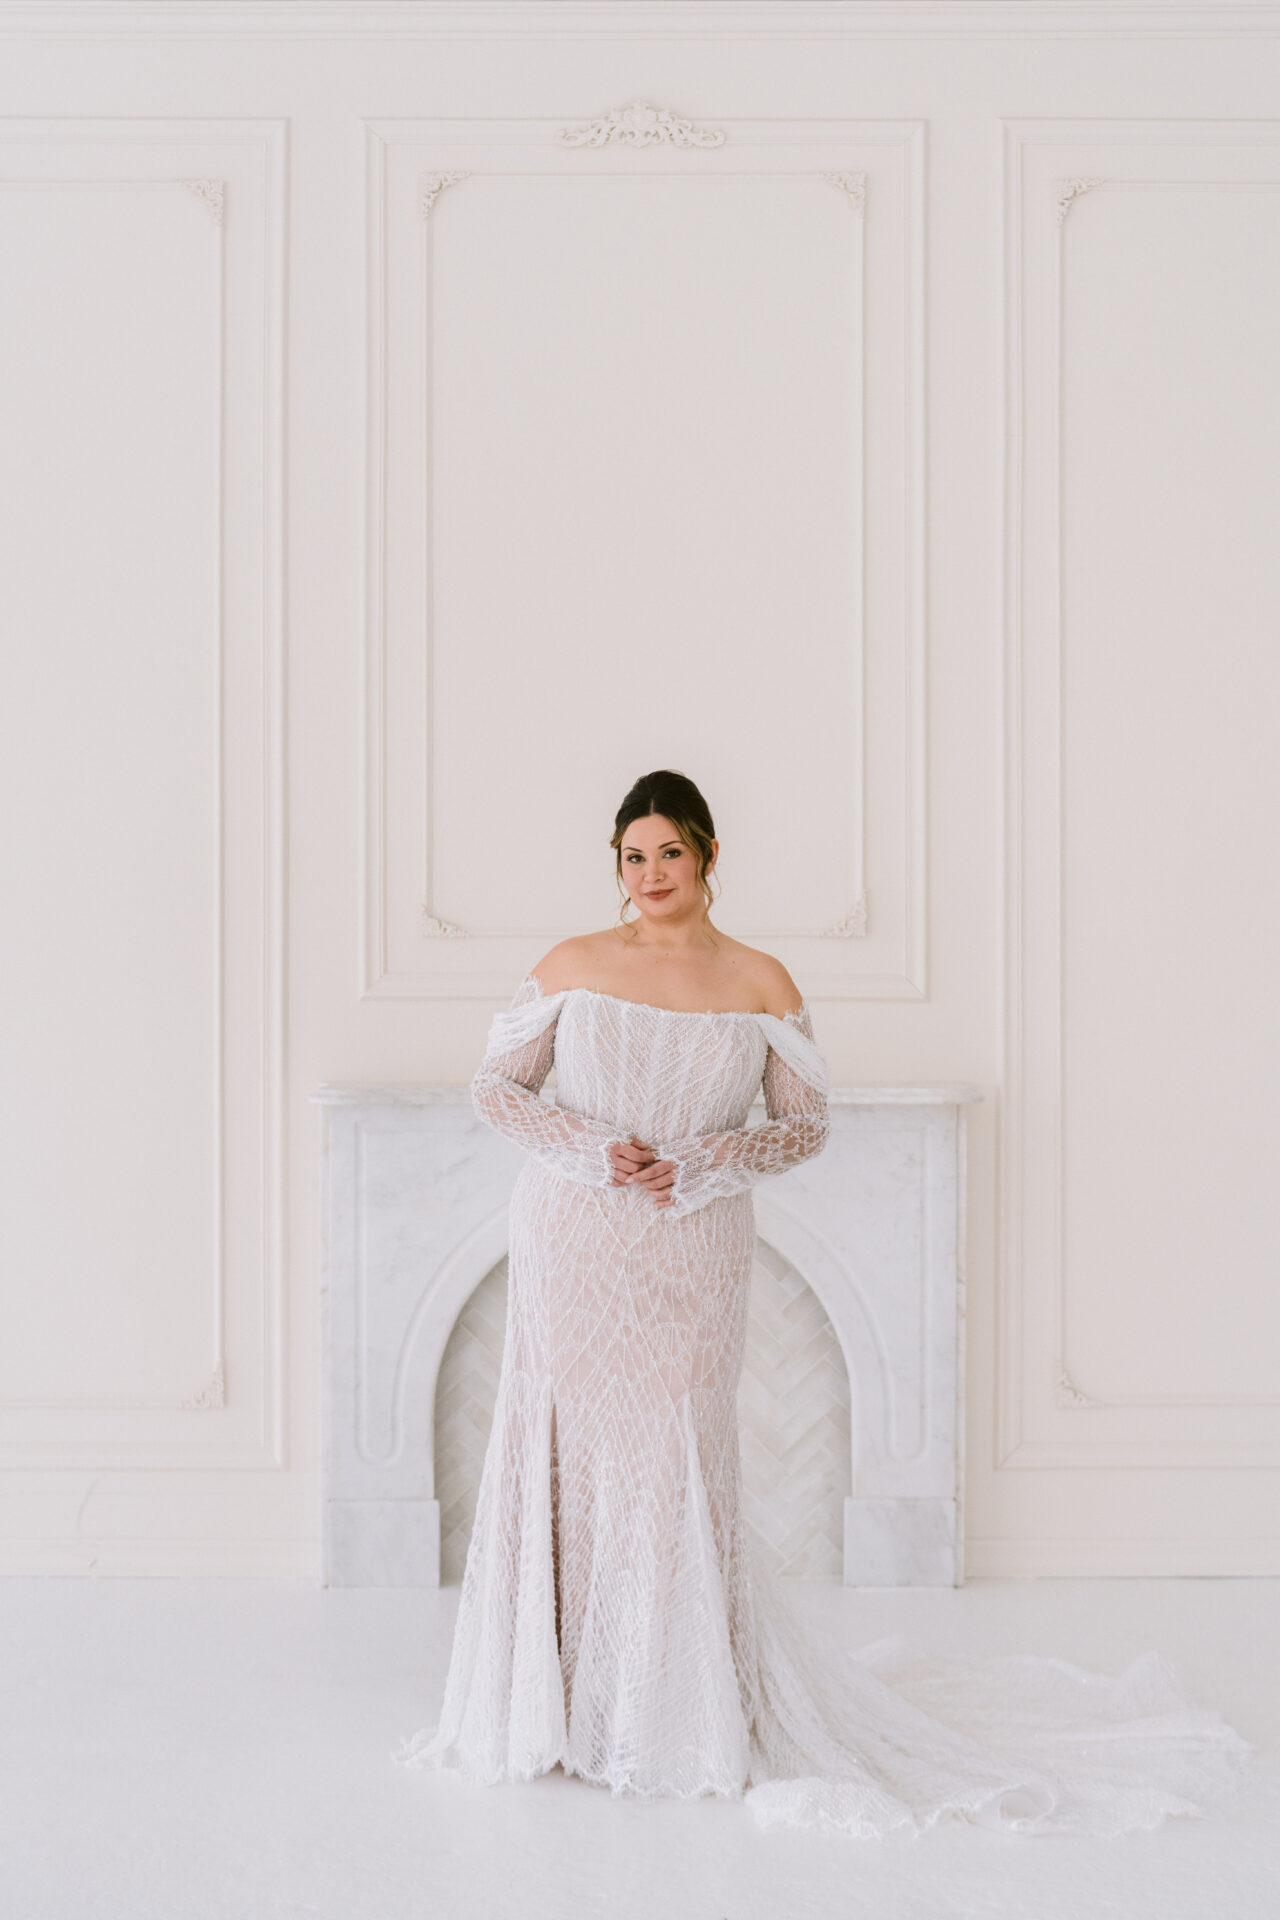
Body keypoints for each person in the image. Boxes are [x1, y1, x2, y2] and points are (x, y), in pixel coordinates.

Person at [394, 769, 1252, 1836]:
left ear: (708, 856)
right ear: (614, 866)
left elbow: (803, 1125)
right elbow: (494, 1089)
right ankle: (556, 1708)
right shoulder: (570, 965)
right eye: (631, 856)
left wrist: (706, 1159)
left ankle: (670, 1712)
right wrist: (588, 1148)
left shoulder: (758, 979)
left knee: (676, 1453)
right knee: (562, 1452)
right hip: (574, 1236)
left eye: (668, 852)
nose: (650, 874)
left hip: (692, 1246)